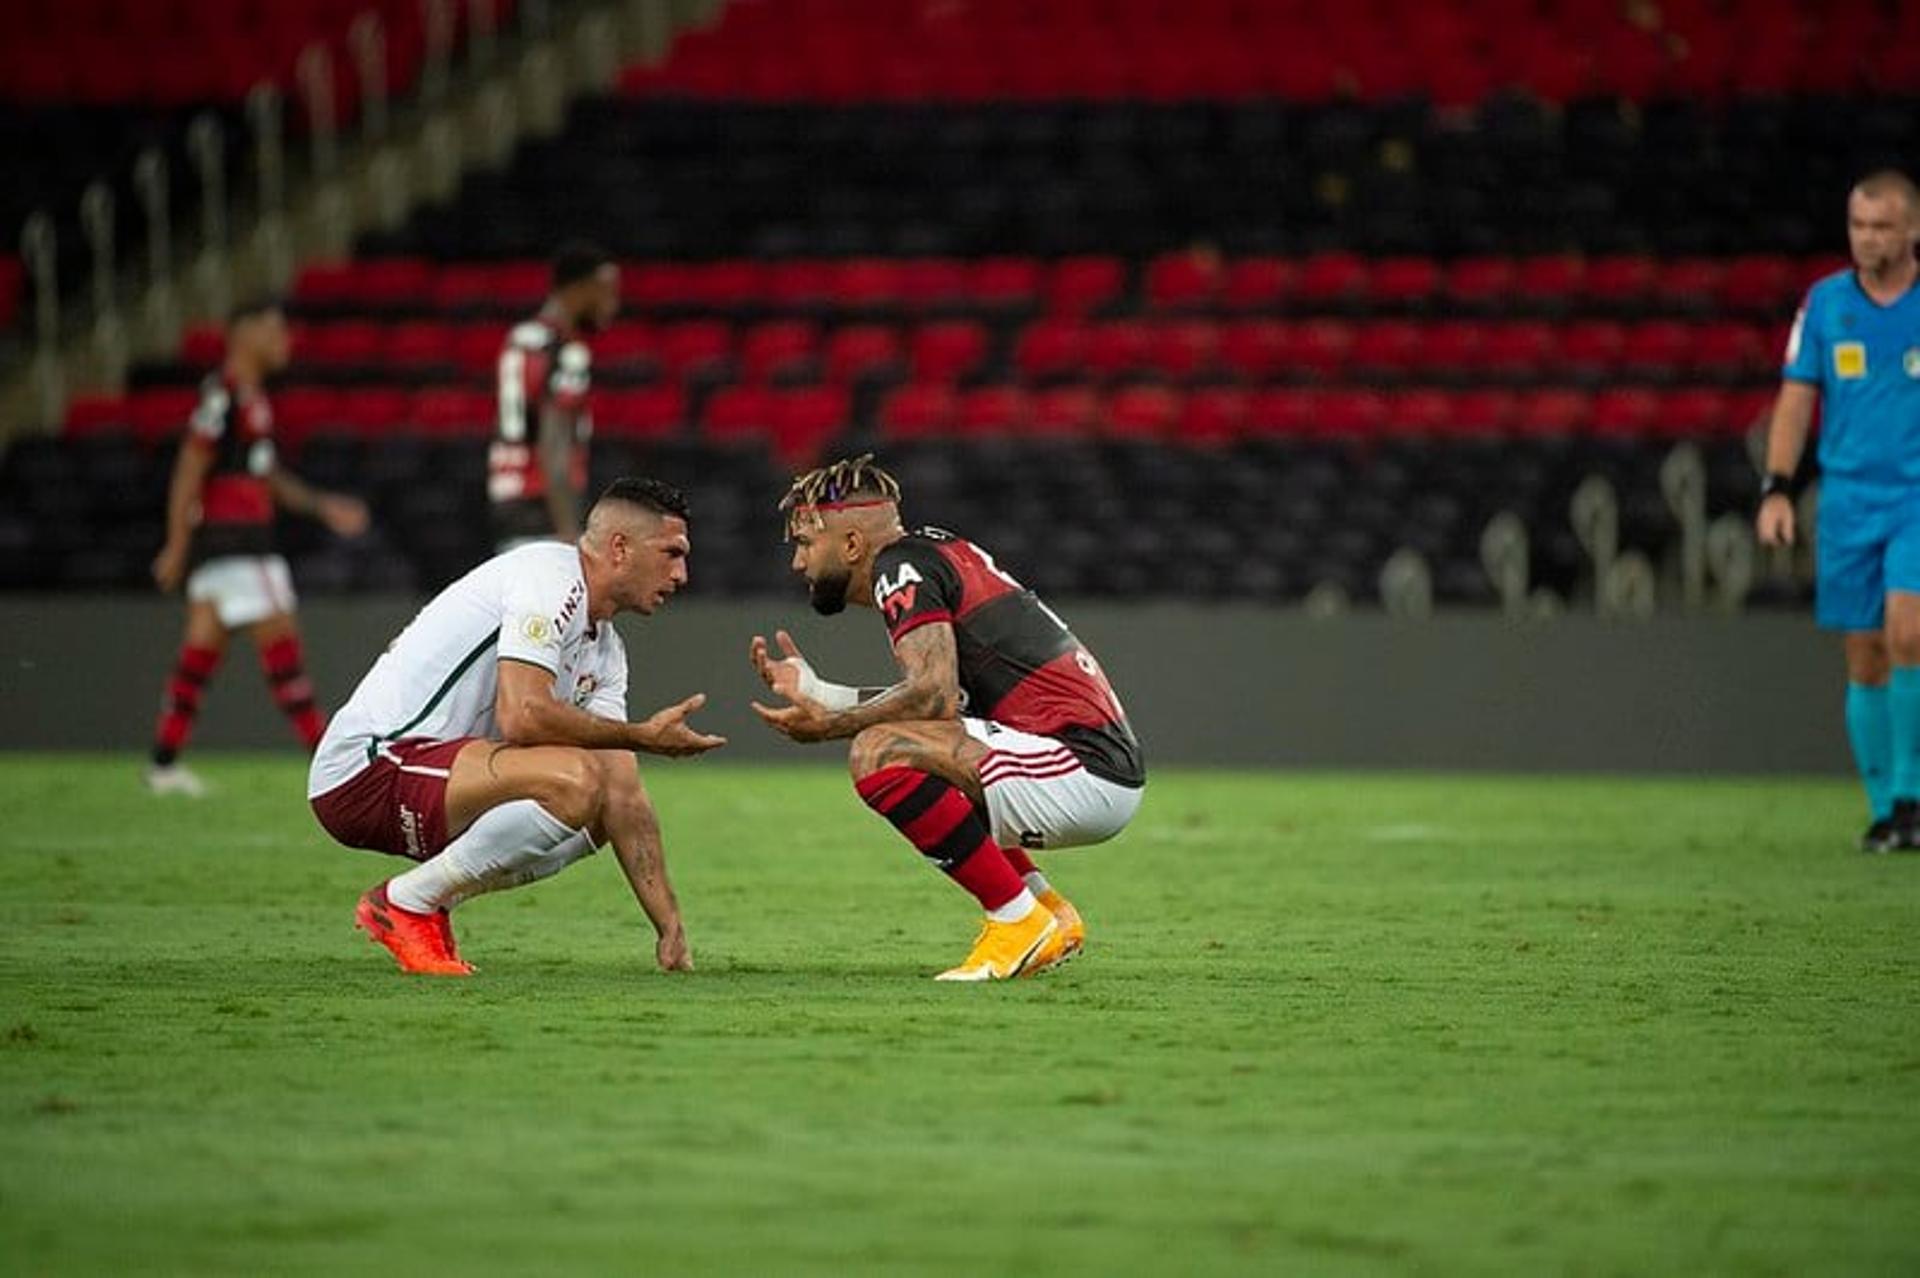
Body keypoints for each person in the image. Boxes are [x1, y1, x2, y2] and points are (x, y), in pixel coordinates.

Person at [749, 454, 1145, 981]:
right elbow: (944, 702)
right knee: (917, 755)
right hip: (1086, 762)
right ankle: (1045, 911)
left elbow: (931, 696)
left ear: (850, 545)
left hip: (1081, 767)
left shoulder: (898, 568)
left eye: (804, 544)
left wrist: (828, 725)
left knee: (879, 752)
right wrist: (824, 694)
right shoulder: (932, 552)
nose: (799, 564)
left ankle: (1016, 921)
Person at [308, 478, 726, 975]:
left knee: (600, 811)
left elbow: (626, 795)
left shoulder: (606, 650)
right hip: (366, 771)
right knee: (575, 779)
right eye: (671, 554)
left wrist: (670, 928)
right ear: (620, 548)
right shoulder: (550, 578)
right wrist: (641, 735)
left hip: (435, 780)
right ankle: (406, 903)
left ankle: (423, 903)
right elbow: (522, 715)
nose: (681, 574)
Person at [1757, 168, 1920, 852]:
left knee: (1909, 630)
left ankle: (1913, 797)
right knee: (1865, 655)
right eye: (1858, 225)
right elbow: (1797, 397)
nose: (1867, 238)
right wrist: (1777, 487)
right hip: (1849, 499)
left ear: (1912, 230)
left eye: (1881, 226)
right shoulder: (1824, 305)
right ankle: (1884, 808)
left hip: (1915, 495)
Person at [147, 298, 369, 796]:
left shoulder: (251, 398)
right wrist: (176, 545)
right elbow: (189, 467)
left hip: (222, 548)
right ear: (243, 335)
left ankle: (163, 765)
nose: (284, 341)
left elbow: (265, 477)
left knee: (197, 659)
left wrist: (321, 505)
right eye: (274, 331)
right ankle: (335, 767)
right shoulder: (223, 393)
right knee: (287, 665)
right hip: (241, 545)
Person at [488, 241, 620, 551]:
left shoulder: (520, 339)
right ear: (580, 289)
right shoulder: (568, 351)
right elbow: (554, 447)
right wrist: (570, 531)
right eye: (607, 291)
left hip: (508, 500)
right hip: (545, 508)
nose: (613, 304)